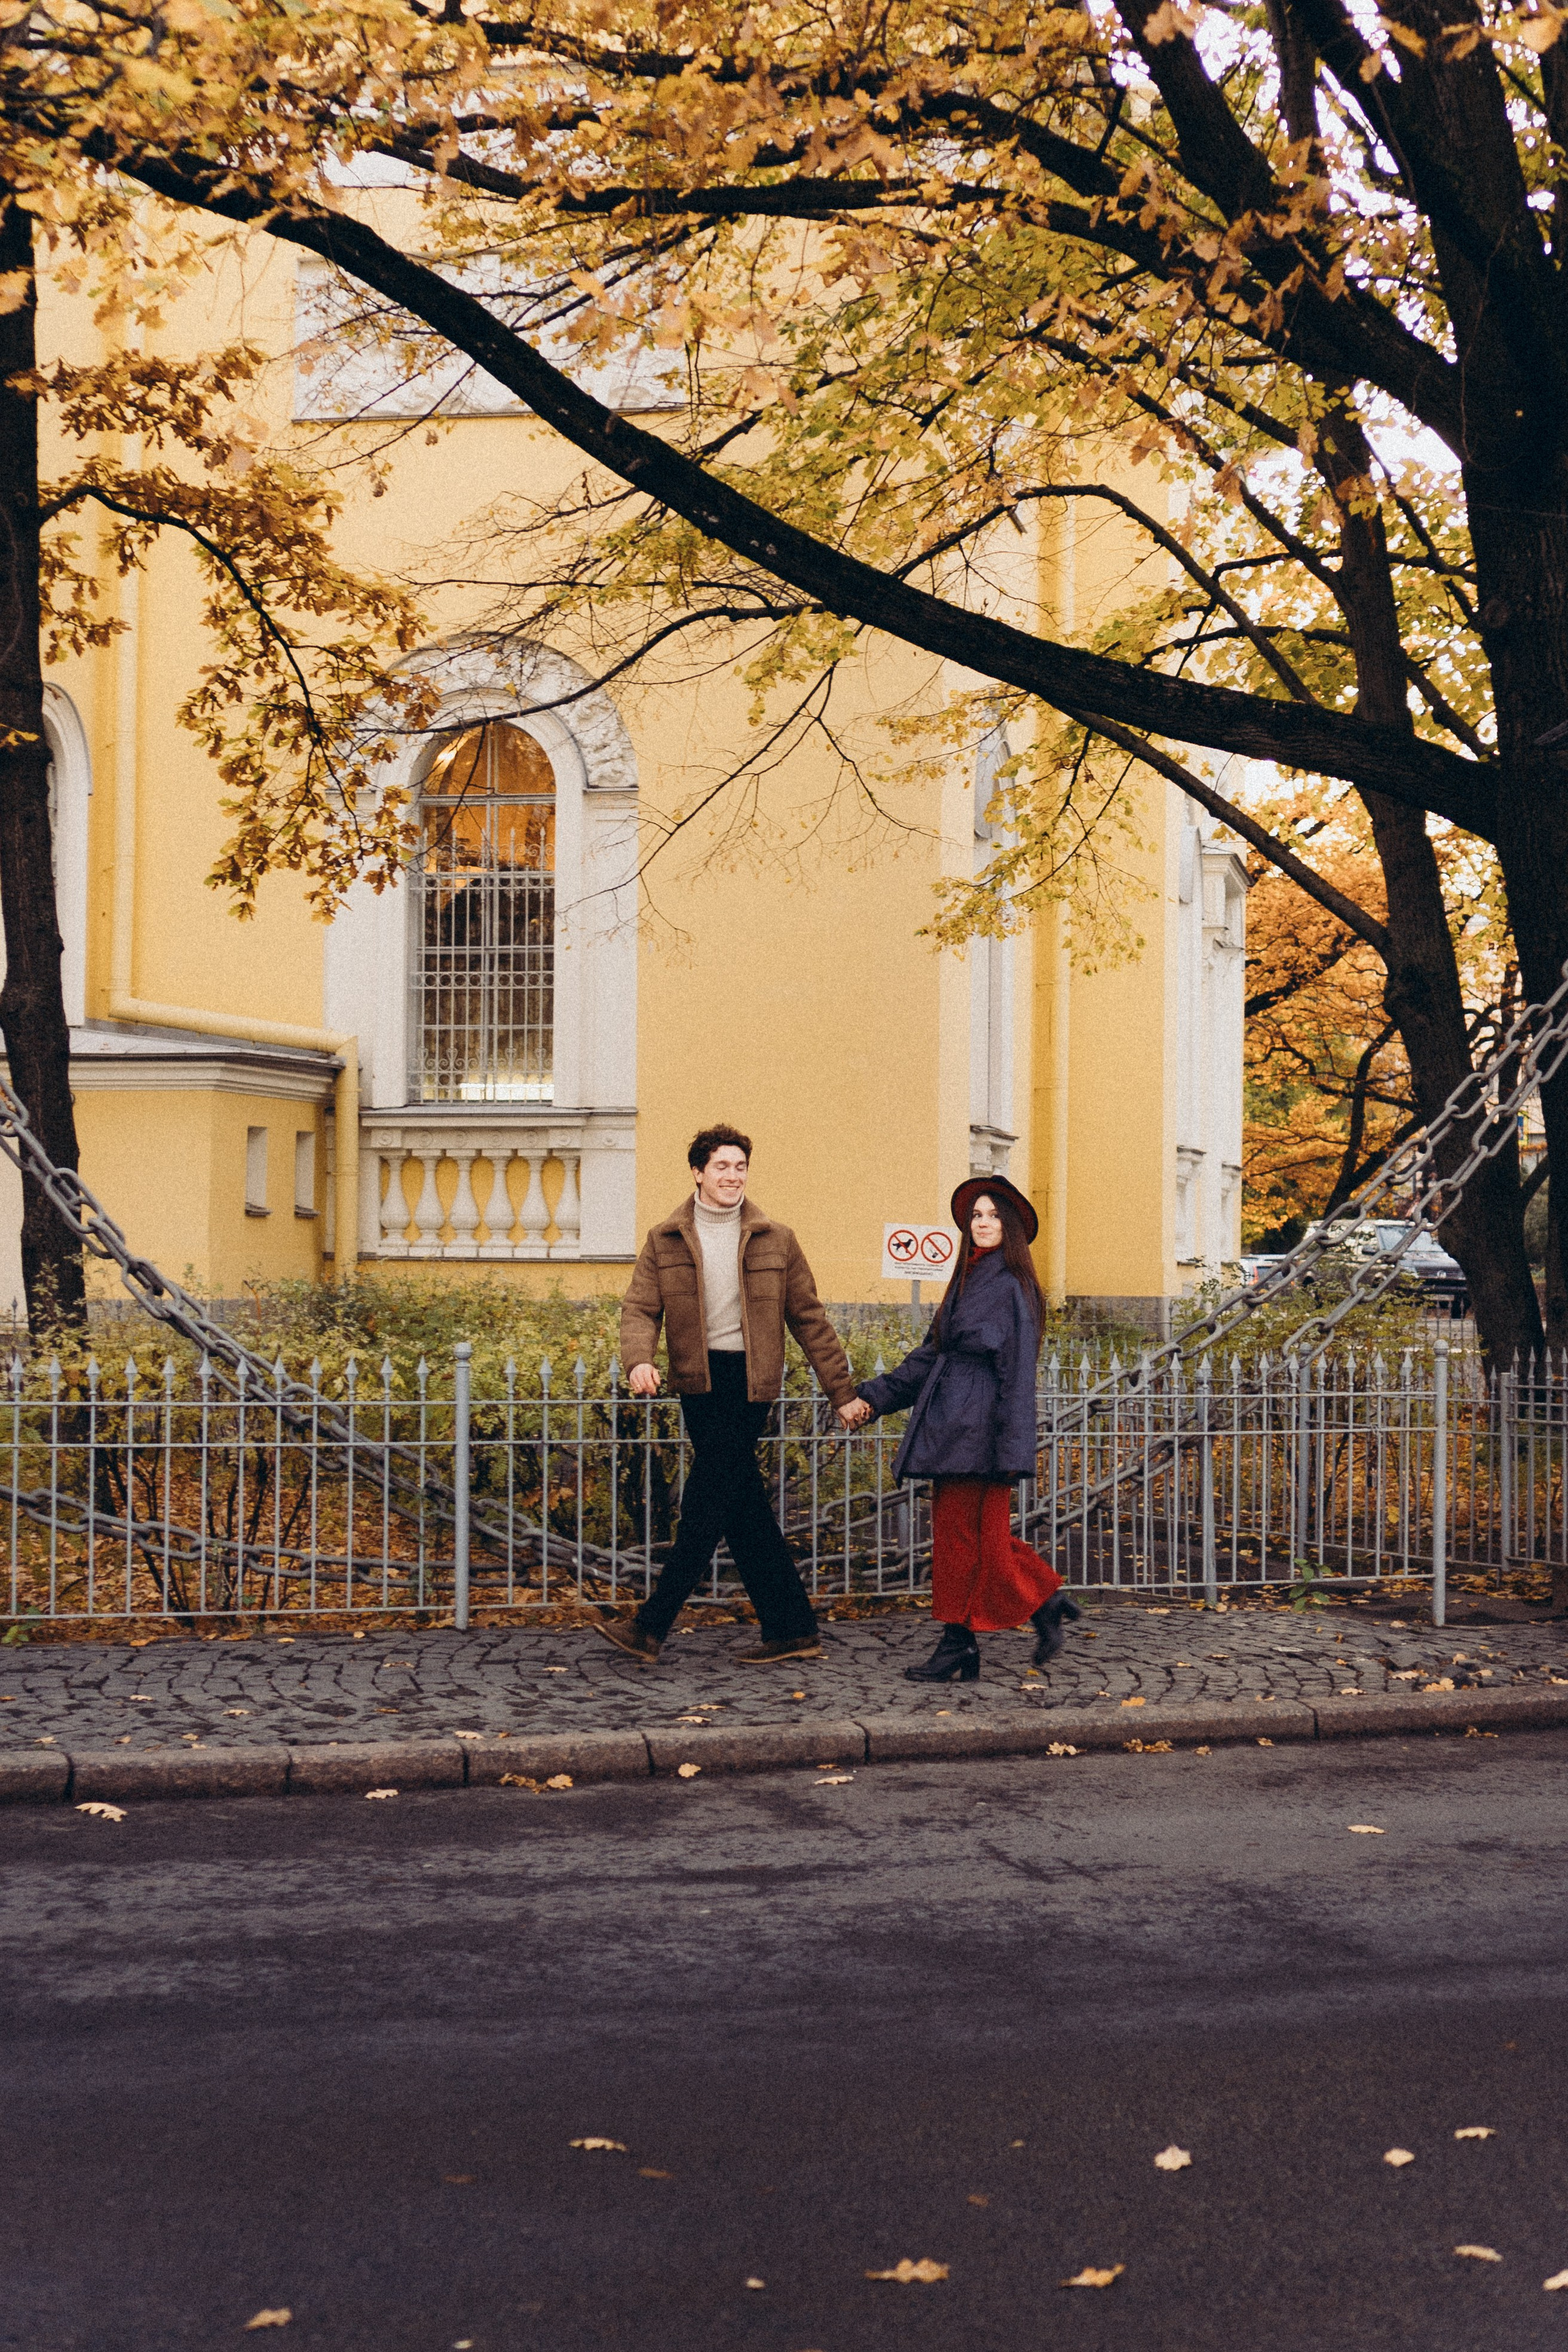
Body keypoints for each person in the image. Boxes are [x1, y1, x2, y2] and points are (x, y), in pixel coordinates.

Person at [599, 1123, 864, 1667]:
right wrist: (640, 1359)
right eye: (722, 1166)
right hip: (698, 1381)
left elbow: (809, 1318)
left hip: (750, 1382)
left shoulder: (776, 1238)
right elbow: (640, 1308)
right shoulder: (665, 1237)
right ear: (698, 1173)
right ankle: (792, 1627)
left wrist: (842, 1392)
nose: (733, 1176)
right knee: (740, 1504)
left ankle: (651, 1626)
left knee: (706, 1499)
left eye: (740, 1166)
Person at [853, 1175, 1080, 1683]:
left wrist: (1012, 1449)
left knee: (974, 1542)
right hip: (954, 1429)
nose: (983, 1224)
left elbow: (1017, 1376)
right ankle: (991, 1629)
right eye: (977, 1216)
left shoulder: (1012, 1287)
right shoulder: (968, 1279)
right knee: (965, 1540)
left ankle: (986, 1629)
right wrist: (872, 1397)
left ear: (1012, 1226)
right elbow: (931, 1355)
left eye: (994, 1216)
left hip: (982, 1434)